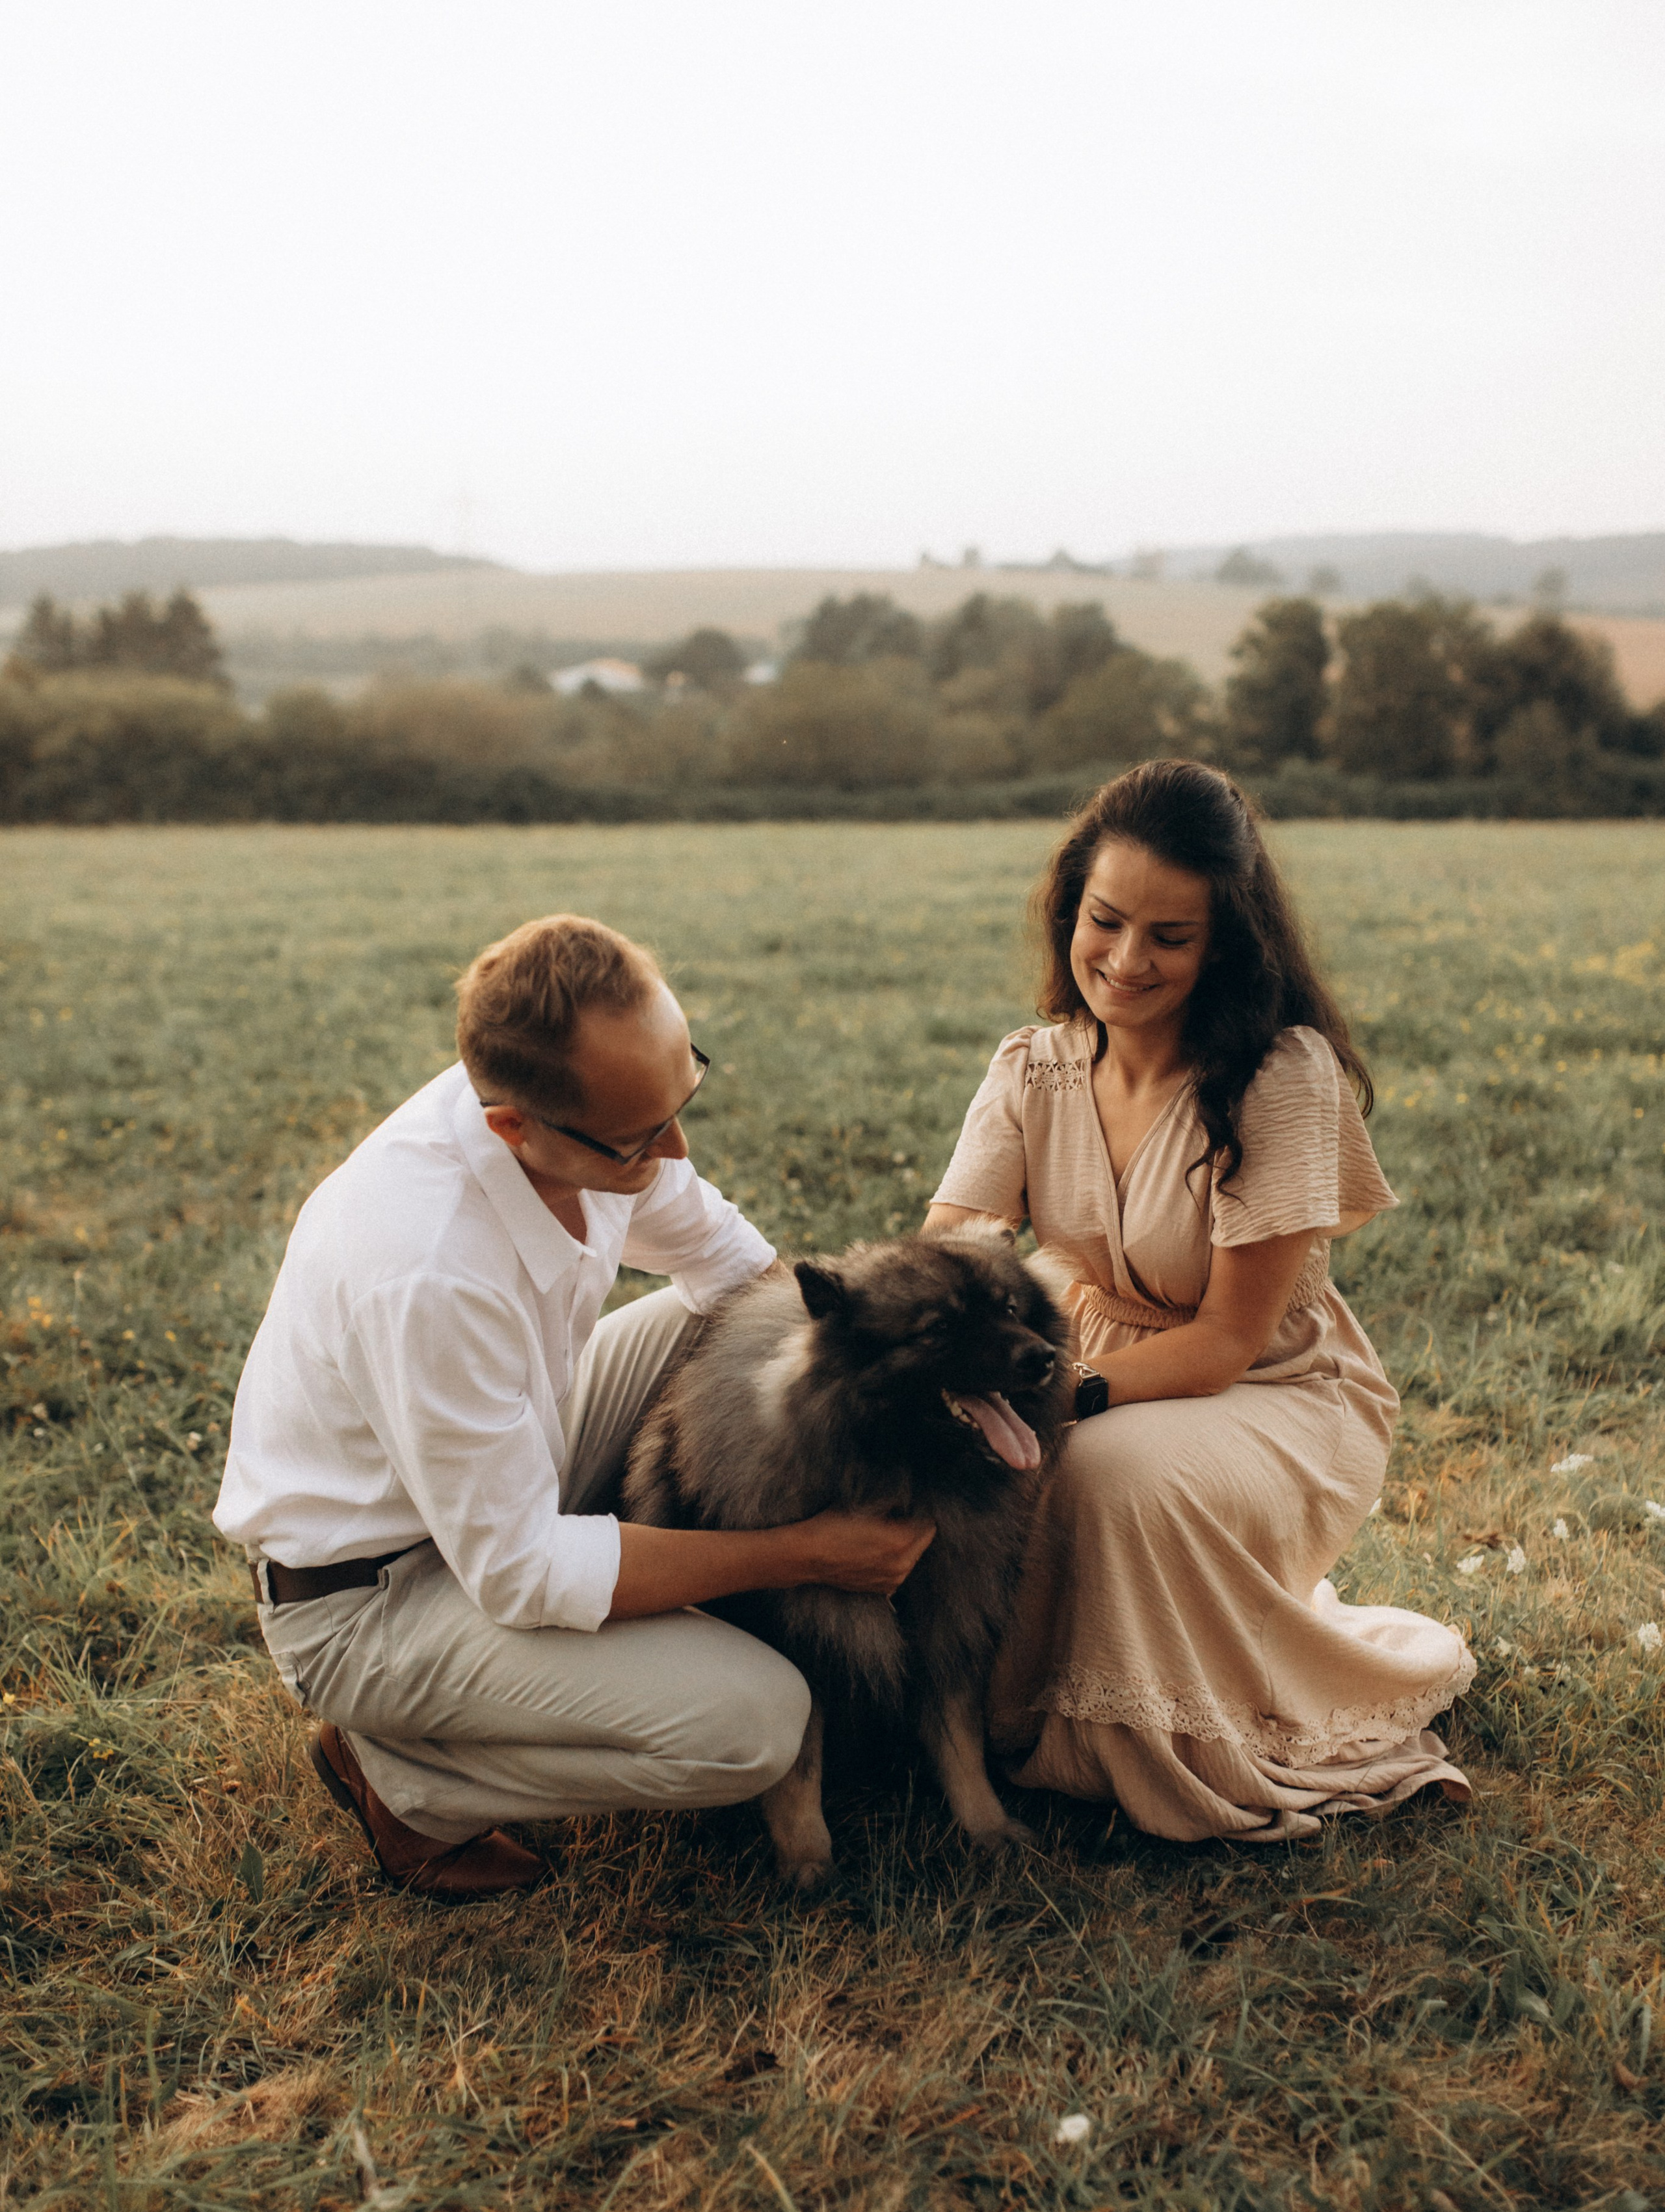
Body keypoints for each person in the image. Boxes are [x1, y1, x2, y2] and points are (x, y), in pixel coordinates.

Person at [214, 914, 931, 1899]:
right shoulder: (426, 1270)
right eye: (645, 1136)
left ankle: (691, 1611)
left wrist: (850, 1399)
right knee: (754, 1727)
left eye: (685, 1092)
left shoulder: (581, 1124)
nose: (677, 1148)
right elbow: (520, 1573)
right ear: (514, 1126)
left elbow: (730, 1267)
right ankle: (404, 1777)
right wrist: (807, 1550)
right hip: (374, 1599)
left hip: (501, 1478)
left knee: (740, 1330)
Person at [924, 760, 1474, 1842]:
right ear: (1069, 911)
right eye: (1107, 921)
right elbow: (953, 1249)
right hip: (1086, 1362)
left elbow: (1227, 1341)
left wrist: (1055, 1399)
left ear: (1224, 942)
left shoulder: (1282, 1075)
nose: (1127, 962)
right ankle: (991, 1722)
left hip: (1281, 1391)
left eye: (1170, 938)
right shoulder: (1032, 1067)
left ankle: (1155, 1741)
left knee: (1110, 1473)